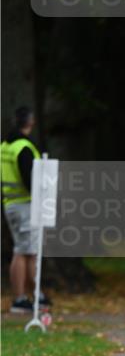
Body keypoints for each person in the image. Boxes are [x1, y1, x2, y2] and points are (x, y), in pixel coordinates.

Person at [1, 106, 51, 313]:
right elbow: (30, 179)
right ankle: (22, 299)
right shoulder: (24, 147)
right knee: (24, 251)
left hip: (10, 204)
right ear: (31, 123)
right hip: (25, 205)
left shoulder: (5, 146)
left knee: (27, 250)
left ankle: (33, 296)